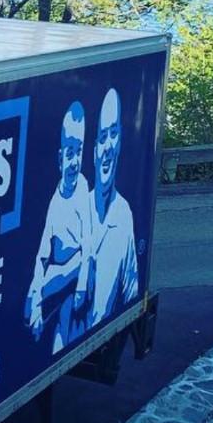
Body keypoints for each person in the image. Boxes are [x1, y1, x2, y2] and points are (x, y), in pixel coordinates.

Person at [28, 101, 96, 351]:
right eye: (69, 153)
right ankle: (38, 310)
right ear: (60, 159)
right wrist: (35, 294)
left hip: (74, 277)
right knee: (30, 304)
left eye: (79, 152)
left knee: (63, 338)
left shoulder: (82, 189)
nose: (74, 161)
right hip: (58, 274)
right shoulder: (55, 201)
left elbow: (87, 245)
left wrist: (81, 287)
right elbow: (42, 253)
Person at [83, 88, 141, 329]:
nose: (107, 146)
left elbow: (131, 290)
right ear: (94, 151)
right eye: (102, 136)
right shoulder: (77, 211)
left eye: (114, 133)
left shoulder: (123, 215)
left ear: (120, 143)